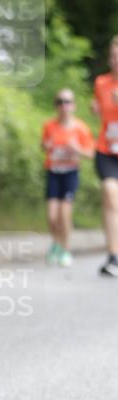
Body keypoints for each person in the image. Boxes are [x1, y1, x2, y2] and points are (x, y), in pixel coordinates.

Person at [41, 89, 94, 267]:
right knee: (51, 216)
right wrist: (46, 145)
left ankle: (65, 249)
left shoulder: (81, 128)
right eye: (60, 102)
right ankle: (56, 243)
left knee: (64, 213)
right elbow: (44, 145)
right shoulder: (49, 126)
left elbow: (91, 153)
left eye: (67, 102)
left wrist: (76, 148)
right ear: (56, 105)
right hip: (53, 172)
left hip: (70, 173)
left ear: (74, 105)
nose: (64, 106)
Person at [91, 35, 118, 277]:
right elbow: (98, 107)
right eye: (113, 57)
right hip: (107, 150)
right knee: (110, 194)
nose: (116, 62)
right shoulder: (101, 83)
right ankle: (113, 257)